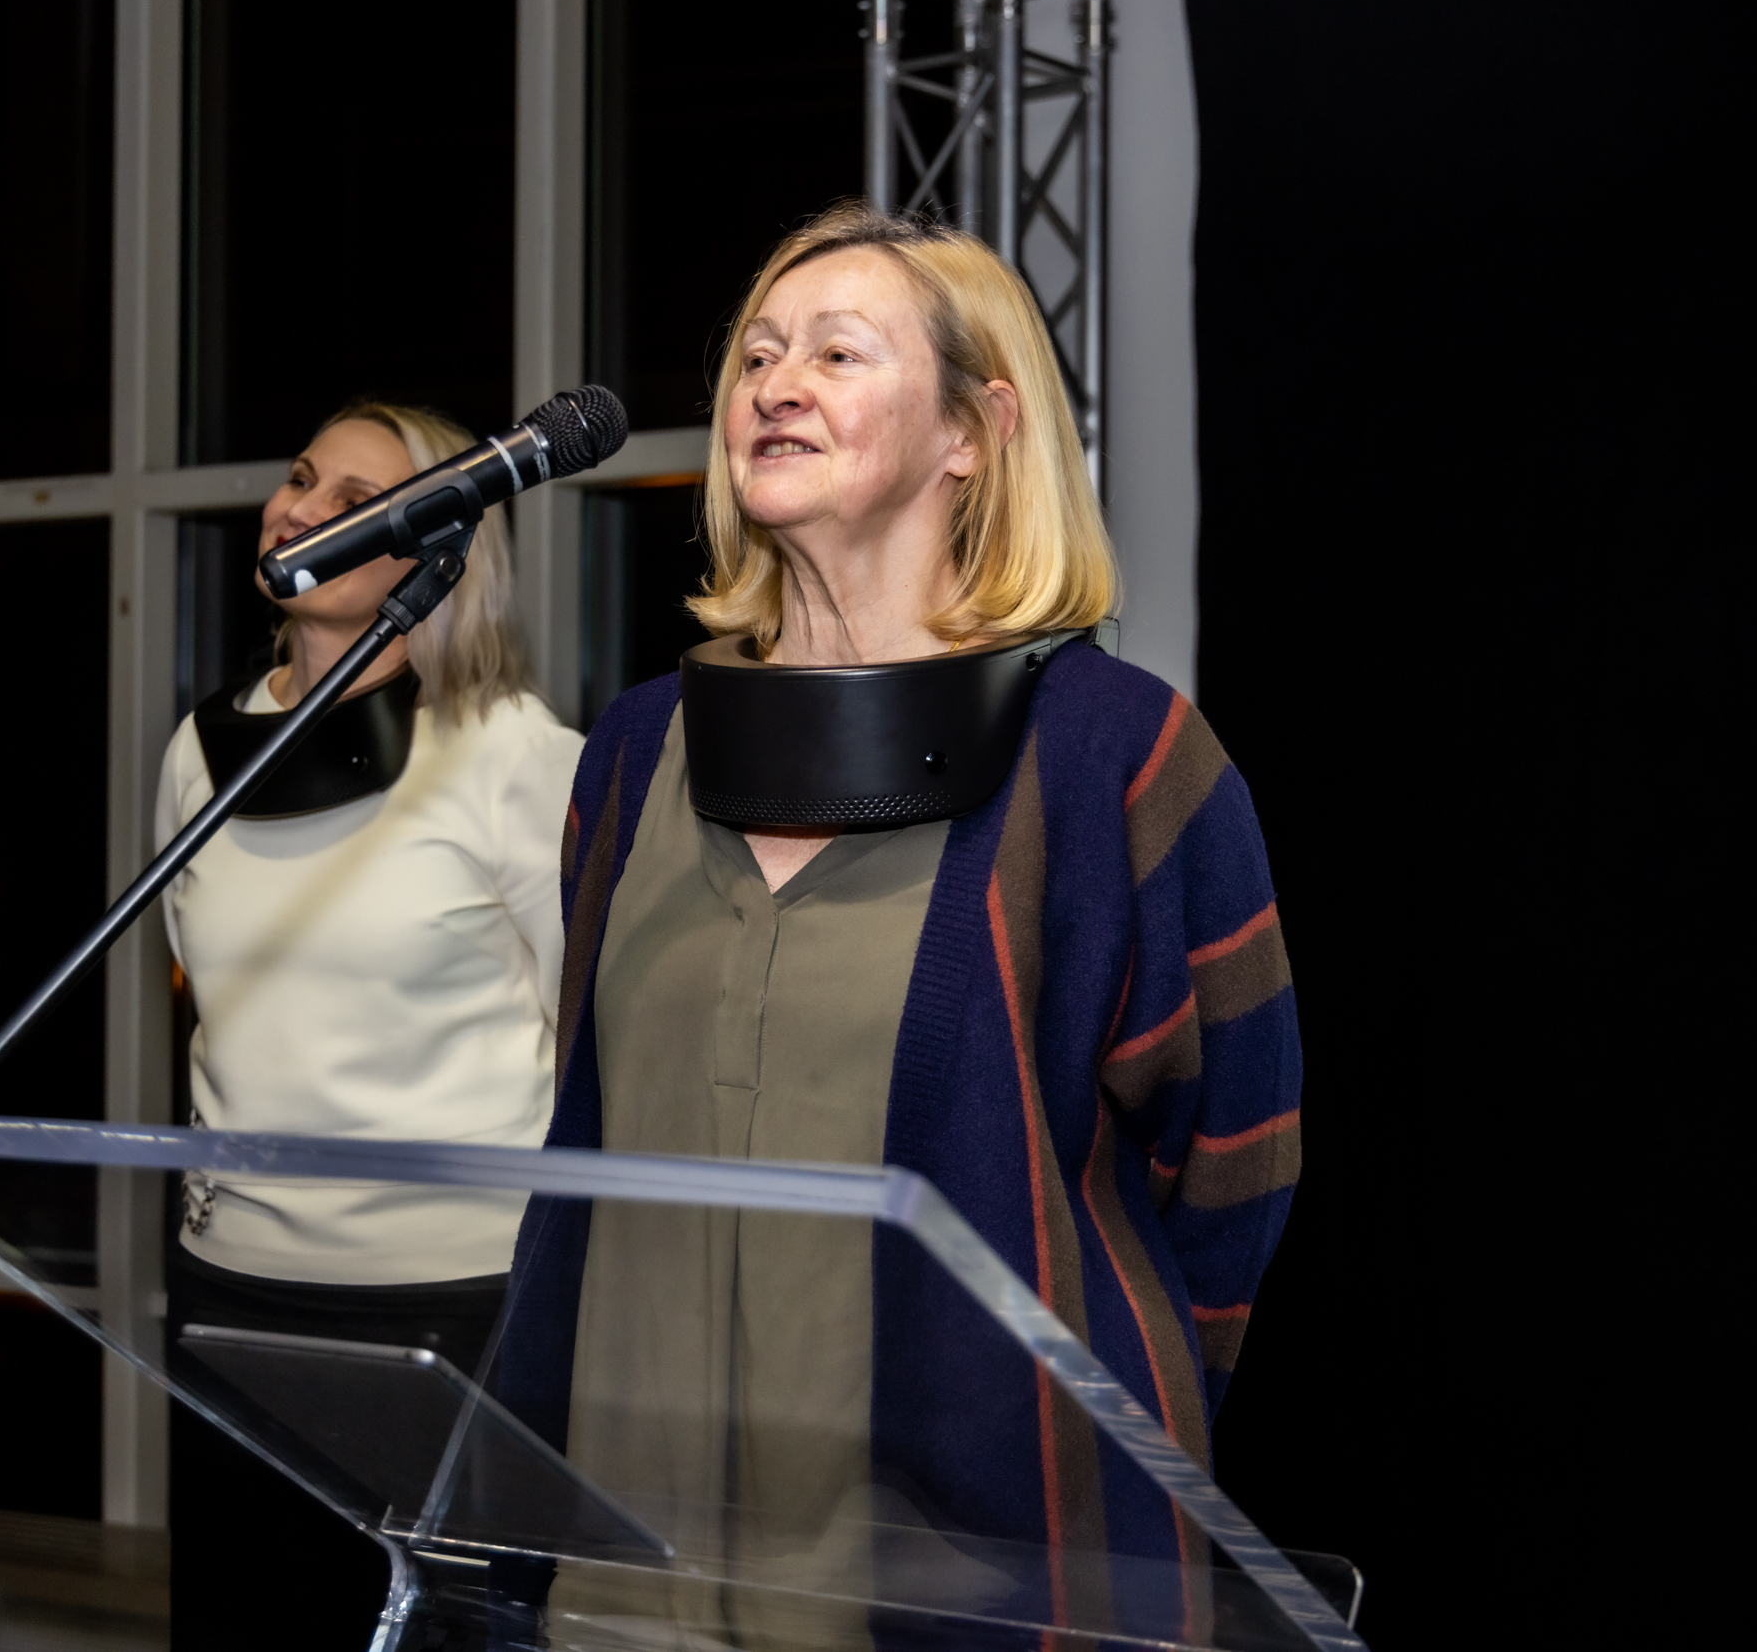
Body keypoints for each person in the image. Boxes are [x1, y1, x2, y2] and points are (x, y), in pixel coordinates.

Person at [498, 203, 1302, 1644]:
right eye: (757, 356)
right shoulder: (632, 751)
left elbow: (1231, 1164)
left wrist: (1093, 1412)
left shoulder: (1116, 756)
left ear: (972, 432)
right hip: (622, 1579)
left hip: (973, 1593)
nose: (776, 385)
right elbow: (595, 1123)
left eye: (836, 353)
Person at [156, 401, 584, 1649]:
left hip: (453, 1313)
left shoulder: (511, 752)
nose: (300, 509)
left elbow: (586, 1025)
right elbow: (213, 993)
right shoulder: (197, 752)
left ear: (436, 543)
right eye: (300, 478)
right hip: (230, 1294)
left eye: (354, 501)